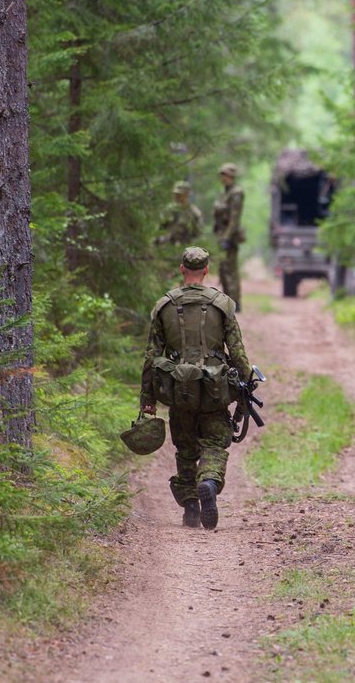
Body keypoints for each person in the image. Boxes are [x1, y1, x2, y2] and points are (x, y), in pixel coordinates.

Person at [140, 246, 252, 530]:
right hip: (214, 389)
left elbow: (151, 358)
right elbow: (237, 352)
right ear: (206, 270)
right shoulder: (222, 304)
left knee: (186, 447)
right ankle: (209, 482)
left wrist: (148, 400)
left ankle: (190, 507)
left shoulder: (164, 306)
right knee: (215, 442)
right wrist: (246, 384)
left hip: (179, 390)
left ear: (182, 269)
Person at [212, 163, 244, 310]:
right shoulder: (225, 193)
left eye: (225, 174)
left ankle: (236, 302)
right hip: (221, 234)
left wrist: (226, 237)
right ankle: (228, 300)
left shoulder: (236, 193)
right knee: (223, 269)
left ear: (231, 176)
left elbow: (234, 219)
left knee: (231, 269)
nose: (222, 177)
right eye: (221, 174)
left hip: (229, 237)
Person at [156, 180, 202, 246]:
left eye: (180, 195)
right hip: (167, 247)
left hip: (187, 248)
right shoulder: (167, 210)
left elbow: (198, 234)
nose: (177, 197)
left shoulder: (194, 212)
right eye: (176, 194)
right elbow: (159, 231)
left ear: (187, 195)